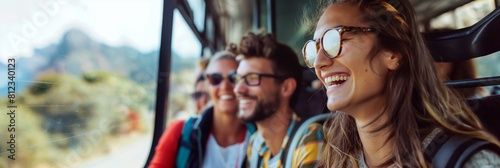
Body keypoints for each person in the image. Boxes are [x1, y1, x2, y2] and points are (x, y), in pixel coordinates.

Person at [301, 0, 500, 167]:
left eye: (334, 41)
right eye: (314, 49)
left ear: (393, 54)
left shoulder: (465, 160)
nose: (319, 63)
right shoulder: (337, 160)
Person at [149, 46, 255, 168]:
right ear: (207, 85)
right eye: (216, 79)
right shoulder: (179, 133)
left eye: (233, 78)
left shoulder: (260, 138)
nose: (225, 86)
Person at [231, 32, 324, 168]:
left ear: (286, 87)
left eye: (252, 78)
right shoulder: (256, 144)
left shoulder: (309, 138)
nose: (238, 89)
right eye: (238, 79)